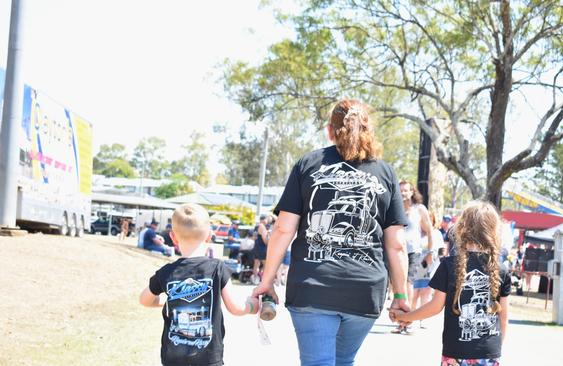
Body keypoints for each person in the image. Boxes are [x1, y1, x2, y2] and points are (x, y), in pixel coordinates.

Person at [252, 99, 411, 366]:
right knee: (343, 361)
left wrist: (266, 281)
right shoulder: (386, 173)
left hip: (312, 288)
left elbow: (282, 230)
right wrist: (400, 296)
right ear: (367, 129)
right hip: (365, 289)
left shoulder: (308, 164)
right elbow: (396, 245)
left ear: (330, 130)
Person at [391, 200, 511, 366]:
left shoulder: (449, 265)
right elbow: (504, 316)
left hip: (455, 353)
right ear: (494, 230)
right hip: (489, 353)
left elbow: (435, 307)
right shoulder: (501, 269)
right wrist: (497, 348)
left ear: (462, 228)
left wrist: (406, 317)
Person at [139, 203, 259, 366]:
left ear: (173, 237)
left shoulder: (166, 272)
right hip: (208, 358)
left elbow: (144, 300)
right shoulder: (217, 268)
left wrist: (166, 300)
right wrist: (253, 306)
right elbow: (236, 308)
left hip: (173, 358)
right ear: (209, 236)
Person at [393, 180, 435, 334]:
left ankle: (408, 319)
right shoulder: (395, 208)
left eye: (406, 190)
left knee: (408, 283)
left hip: (414, 252)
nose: (403, 193)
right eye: (400, 190)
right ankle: (401, 318)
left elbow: (430, 230)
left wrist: (430, 252)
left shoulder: (419, 209)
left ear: (412, 192)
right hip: (398, 251)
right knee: (399, 285)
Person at [411, 211, 445, 329]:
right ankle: (410, 316)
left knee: (425, 292)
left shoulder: (436, 234)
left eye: (429, 221)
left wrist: (441, 263)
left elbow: (441, 250)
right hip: (416, 267)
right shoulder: (417, 234)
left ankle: (422, 318)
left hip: (430, 267)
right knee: (414, 293)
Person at [251, 214, 271, 285]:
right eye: (267, 219)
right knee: (266, 265)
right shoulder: (262, 227)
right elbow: (265, 241)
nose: (268, 221)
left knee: (256, 264)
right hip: (262, 248)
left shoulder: (256, 226)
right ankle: (263, 280)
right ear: (264, 219)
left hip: (256, 247)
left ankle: (255, 279)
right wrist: (269, 236)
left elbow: (254, 238)